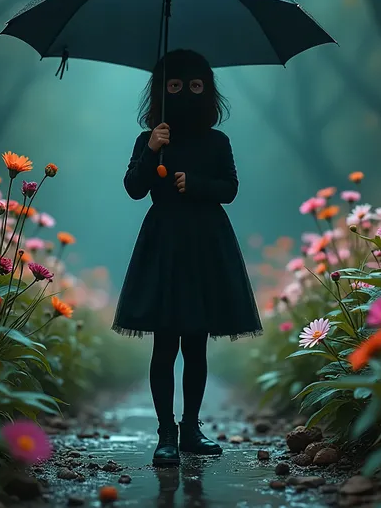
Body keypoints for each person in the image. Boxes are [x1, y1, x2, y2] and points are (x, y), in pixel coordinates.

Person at [111, 49, 263, 467]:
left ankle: (192, 427)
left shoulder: (218, 141)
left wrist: (193, 183)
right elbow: (134, 188)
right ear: (161, 92)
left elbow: (229, 188)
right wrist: (150, 151)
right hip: (164, 244)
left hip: (206, 244)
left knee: (196, 345)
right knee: (164, 344)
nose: (186, 93)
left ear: (208, 91)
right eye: (175, 86)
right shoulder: (151, 138)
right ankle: (166, 433)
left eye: (195, 86)